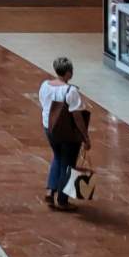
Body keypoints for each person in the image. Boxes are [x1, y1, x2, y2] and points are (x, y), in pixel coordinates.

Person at [40, 55, 91, 210]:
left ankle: (50, 190)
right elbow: (77, 117)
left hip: (49, 128)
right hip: (68, 134)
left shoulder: (45, 85)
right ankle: (63, 200)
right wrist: (85, 137)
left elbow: (44, 104)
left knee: (57, 156)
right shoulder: (71, 91)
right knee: (68, 164)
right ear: (68, 72)